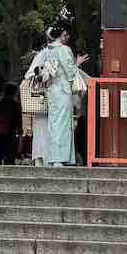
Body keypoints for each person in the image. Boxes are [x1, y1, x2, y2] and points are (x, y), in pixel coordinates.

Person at [28, 21, 81, 166]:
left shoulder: (49, 50)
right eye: (67, 35)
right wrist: (77, 65)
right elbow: (70, 73)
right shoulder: (64, 50)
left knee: (53, 125)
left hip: (51, 91)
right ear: (64, 34)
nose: (67, 38)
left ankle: (53, 157)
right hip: (63, 91)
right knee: (62, 125)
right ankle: (59, 158)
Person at [0, 86, 20, 165]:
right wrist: (20, 135)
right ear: (15, 93)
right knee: (9, 160)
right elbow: (18, 122)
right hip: (10, 136)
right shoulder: (15, 105)